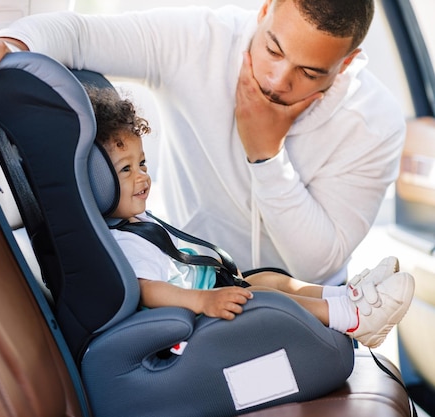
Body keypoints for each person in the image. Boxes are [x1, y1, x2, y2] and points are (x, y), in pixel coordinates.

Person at [0, 0, 406, 285]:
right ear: (265, 10)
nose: (277, 80)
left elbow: (315, 264)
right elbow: (82, 35)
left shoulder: (375, 123)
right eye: (272, 50)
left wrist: (265, 154)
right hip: (199, 282)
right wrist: (11, 43)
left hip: (306, 303)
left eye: (310, 72)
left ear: (347, 64)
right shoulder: (201, 41)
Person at [85, 85, 413, 349]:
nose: (141, 177)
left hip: (209, 291)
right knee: (265, 296)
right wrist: (202, 299)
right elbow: (148, 290)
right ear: (95, 180)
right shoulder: (123, 241)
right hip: (195, 325)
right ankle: (352, 317)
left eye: (141, 164)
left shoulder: (136, 223)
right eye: (125, 169)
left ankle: (349, 298)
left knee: (273, 280)